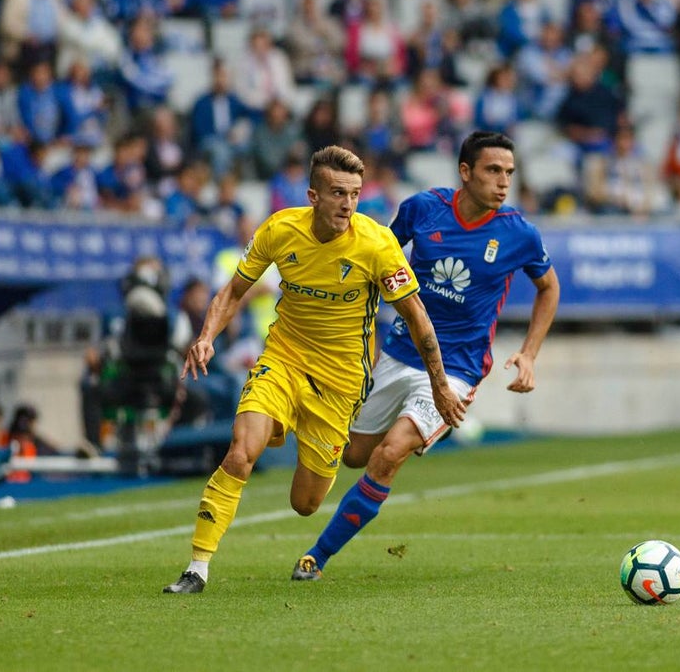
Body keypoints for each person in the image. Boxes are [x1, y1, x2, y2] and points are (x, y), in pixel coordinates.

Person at [163, 145, 467, 594]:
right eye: (338, 193)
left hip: (340, 381)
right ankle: (197, 568)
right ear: (313, 196)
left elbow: (418, 316)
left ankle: (296, 438)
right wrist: (206, 336)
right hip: (283, 359)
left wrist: (440, 386)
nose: (348, 204)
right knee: (240, 453)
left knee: (305, 503)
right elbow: (233, 292)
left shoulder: (377, 243)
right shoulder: (280, 229)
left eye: (355, 194)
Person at [290, 130, 560, 581]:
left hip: (457, 369)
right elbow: (376, 260)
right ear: (465, 172)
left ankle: (316, 557)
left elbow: (548, 287)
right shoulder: (422, 209)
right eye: (494, 170)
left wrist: (530, 354)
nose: (503, 182)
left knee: (389, 454)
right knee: (355, 454)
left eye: (509, 173)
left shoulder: (520, 235)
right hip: (398, 353)